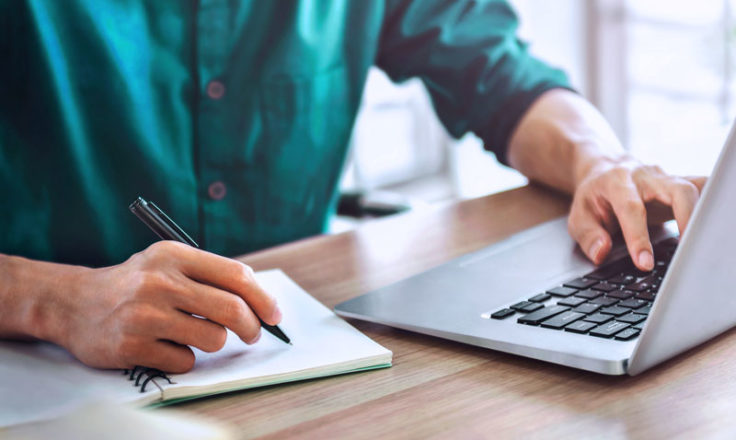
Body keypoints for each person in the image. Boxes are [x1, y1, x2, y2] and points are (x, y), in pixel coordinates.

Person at [0, 1, 705, 373]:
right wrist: (54, 301)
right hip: (47, 368)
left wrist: (600, 160)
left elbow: (500, 77)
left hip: (292, 362)